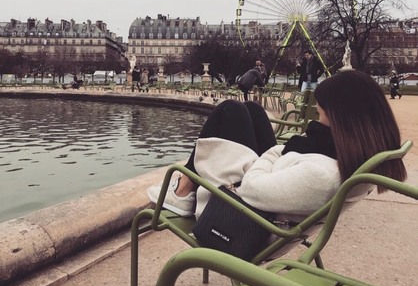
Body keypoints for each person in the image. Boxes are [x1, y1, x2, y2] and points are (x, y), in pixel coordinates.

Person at [147, 70, 406, 220]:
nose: (316, 108)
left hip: (235, 218)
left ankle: (184, 187)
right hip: (268, 199)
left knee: (229, 111)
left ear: (341, 114)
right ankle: (186, 184)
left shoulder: (320, 175)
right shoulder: (353, 156)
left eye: (321, 106)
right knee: (253, 110)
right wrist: (279, 156)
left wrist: (275, 154)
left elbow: (250, 189)